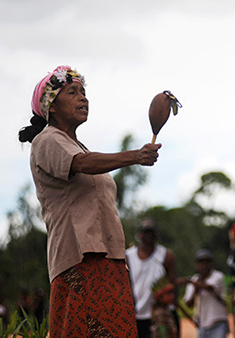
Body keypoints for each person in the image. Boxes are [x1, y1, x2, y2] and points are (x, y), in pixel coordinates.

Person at [18, 65, 161, 337]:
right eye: (72, 92)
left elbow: (86, 160)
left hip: (110, 257)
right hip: (79, 260)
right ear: (52, 106)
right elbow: (83, 164)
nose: (83, 97)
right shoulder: (47, 140)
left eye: (83, 92)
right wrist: (135, 156)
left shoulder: (77, 145)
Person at [126, 218, 177, 338]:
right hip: (136, 313)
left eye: (151, 232)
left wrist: (167, 297)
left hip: (160, 314)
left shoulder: (166, 255)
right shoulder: (128, 256)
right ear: (140, 235)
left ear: (156, 234)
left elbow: (172, 283)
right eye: (145, 232)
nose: (149, 236)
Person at [183, 249, 229, 338]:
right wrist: (195, 290)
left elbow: (209, 287)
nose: (204, 266)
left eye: (206, 262)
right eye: (201, 262)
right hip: (202, 324)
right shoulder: (195, 279)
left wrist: (191, 282)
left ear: (211, 264)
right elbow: (189, 303)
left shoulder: (218, 276)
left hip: (218, 322)